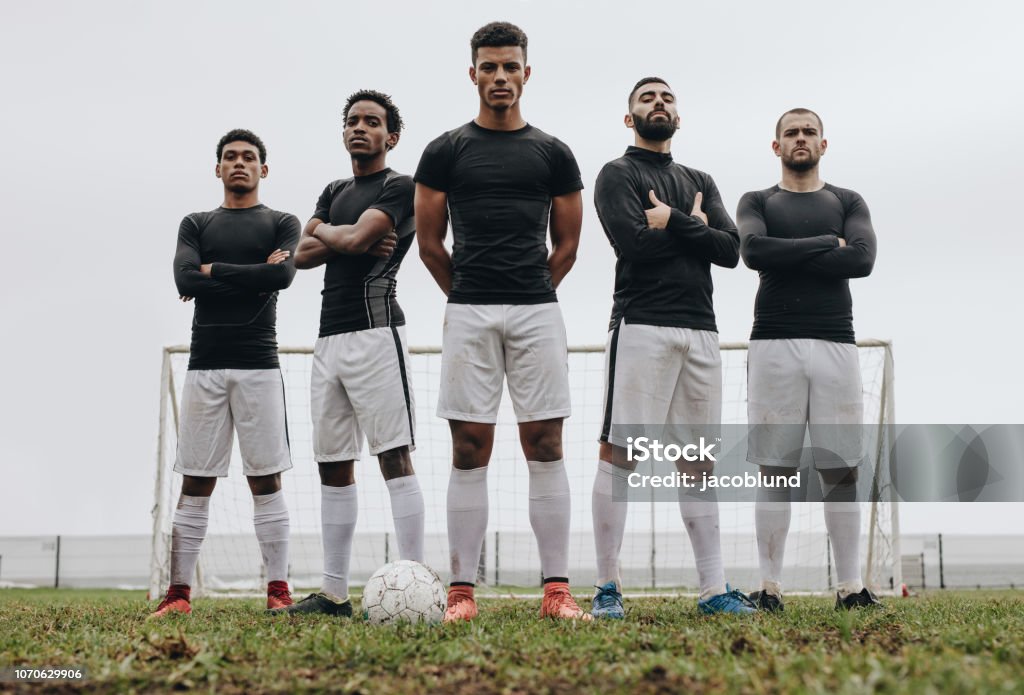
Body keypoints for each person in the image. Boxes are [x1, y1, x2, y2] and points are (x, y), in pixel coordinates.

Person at [415, 21, 587, 622]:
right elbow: (429, 242)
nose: (499, 78)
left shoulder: (554, 153)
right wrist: (467, 296)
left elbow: (566, 245)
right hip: (469, 312)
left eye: (510, 67)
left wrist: (531, 292)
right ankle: (461, 591)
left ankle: (556, 592)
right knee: (469, 446)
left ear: (526, 73)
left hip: (538, 311)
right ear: (473, 75)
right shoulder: (444, 150)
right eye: (488, 68)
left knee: (546, 442)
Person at [591, 77, 754, 618]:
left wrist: (674, 220)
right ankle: (607, 587)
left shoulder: (699, 178)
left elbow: (730, 250)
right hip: (642, 326)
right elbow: (633, 243)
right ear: (629, 117)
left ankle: (713, 591)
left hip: (701, 331)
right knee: (623, 455)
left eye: (667, 98)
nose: (658, 103)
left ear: (678, 117)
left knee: (698, 463)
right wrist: (694, 230)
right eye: (646, 98)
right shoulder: (617, 173)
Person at [273, 91, 423, 617]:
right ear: (344, 132)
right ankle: (333, 594)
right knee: (333, 464)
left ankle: (417, 584)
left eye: (372, 122)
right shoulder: (335, 189)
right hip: (328, 339)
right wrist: (335, 235)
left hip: (377, 334)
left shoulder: (399, 186)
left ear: (391, 136)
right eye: (352, 121)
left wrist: (323, 233)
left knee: (393, 457)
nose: (360, 128)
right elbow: (299, 259)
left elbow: (356, 242)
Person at [152, 129, 300, 617]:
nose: (240, 163)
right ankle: (178, 596)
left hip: (259, 365)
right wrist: (249, 273)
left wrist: (212, 273)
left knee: (266, 481)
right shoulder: (195, 222)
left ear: (264, 169)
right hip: (205, 365)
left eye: (249, 157)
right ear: (217, 168)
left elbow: (281, 277)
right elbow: (182, 277)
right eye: (230, 157)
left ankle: (278, 590)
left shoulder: (283, 222)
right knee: (196, 480)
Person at [737, 108, 879, 611]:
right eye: (791, 133)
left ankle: (850, 587)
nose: (801, 138)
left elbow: (861, 259)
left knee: (841, 469)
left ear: (824, 143)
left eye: (809, 132)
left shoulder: (847, 199)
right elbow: (753, 251)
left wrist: (792, 250)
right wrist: (826, 244)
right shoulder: (757, 200)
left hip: (837, 343)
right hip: (774, 343)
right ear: (776, 146)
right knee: (775, 469)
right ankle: (770, 588)